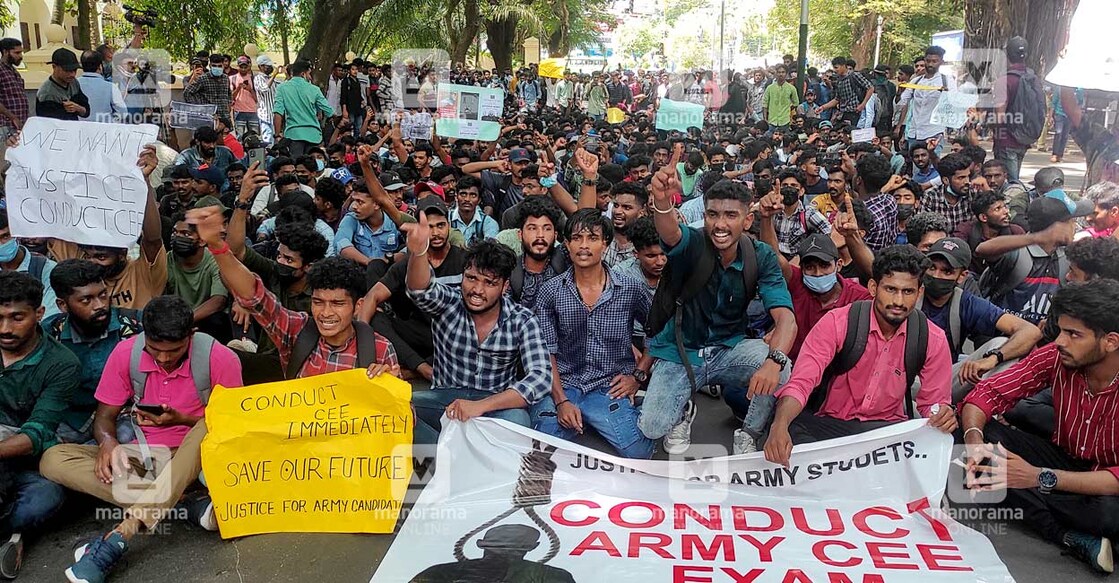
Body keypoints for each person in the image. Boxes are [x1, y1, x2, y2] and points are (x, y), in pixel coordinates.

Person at [40, 295, 243, 583]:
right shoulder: (127, 353)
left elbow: (233, 426)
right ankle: (183, 505)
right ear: (144, 336)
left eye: (173, 350)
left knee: (210, 424)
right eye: (154, 349)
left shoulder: (220, 358)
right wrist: (108, 444)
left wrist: (182, 420)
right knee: (53, 459)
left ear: (191, 335)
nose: (163, 358)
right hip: (149, 460)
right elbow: (104, 418)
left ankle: (121, 534)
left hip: (200, 460)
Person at [960, 280, 1119, 574]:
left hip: (1107, 483)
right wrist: (974, 442)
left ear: (1110, 341)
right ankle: (1069, 534)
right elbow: (989, 393)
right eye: (1060, 330)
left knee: (1109, 514)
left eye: (1074, 334)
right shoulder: (1056, 357)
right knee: (973, 435)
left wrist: (1038, 477)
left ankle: (1056, 521)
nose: (1060, 341)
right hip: (1066, 459)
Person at [640, 172, 797, 456]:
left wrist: (774, 361)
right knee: (652, 427)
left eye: (730, 215)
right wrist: (663, 202)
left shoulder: (760, 256)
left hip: (730, 349)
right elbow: (670, 233)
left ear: (747, 220)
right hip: (682, 352)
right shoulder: (693, 244)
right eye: (712, 214)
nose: (720, 224)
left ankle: (749, 432)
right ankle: (683, 410)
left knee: (782, 366)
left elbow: (786, 319)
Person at [764, 246, 957, 466]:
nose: (899, 302)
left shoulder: (932, 338)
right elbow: (801, 383)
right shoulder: (837, 322)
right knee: (788, 431)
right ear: (873, 287)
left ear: (919, 292)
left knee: (941, 444)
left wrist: (942, 416)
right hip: (830, 424)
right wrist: (779, 426)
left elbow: (933, 404)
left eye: (908, 292)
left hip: (885, 431)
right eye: (891, 289)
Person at [187, 204, 399, 380]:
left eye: (337, 304)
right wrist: (216, 245)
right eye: (318, 302)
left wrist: (389, 387)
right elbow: (254, 296)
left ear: (358, 306)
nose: (325, 313)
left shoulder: (378, 348)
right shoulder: (297, 331)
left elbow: (402, 418)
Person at [403, 212, 551, 444]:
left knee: (518, 422)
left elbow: (540, 378)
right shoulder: (449, 302)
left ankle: (460, 454)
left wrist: (480, 406)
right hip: (444, 398)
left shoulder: (522, 319)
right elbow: (420, 290)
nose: (477, 290)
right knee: (400, 410)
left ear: (504, 287)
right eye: (471, 278)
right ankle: (445, 460)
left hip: (494, 403)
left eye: (489, 283)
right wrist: (419, 251)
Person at [531, 209, 654, 459]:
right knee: (542, 450)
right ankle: (584, 418)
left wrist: (638, 376)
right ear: (566, 244)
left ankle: (633, 406)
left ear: (604, 243)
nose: (584, 246)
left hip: (609, 385)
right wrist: (561, 401)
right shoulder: (550, 292)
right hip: (564, 384)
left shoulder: (628, 288)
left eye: (592, 238)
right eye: (577, 238)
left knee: (638, 453)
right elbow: (546, 352)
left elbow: (659, 331)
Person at [0, 271, 80, 579]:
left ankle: (14, 532)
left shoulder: (62, 364)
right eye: (0, 317)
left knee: (46, 499)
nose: (5, 328)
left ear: (39, 313)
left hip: (29, 462)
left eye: (16, 317)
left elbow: (37, 433)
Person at [917, 237, 1042, 402]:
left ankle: (979, 407)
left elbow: (1031, 331)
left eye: (947, 271)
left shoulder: (966, 302)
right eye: (932, 268)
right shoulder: (910, 293)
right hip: (903, 379)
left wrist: (992, 358)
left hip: (944, 381)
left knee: (999, 345)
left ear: (962, 276)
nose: (936, 275)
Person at [358, 198, 467, 382]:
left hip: (457, 335)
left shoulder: (465, 260)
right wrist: (361, 337)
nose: (436, 233)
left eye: (441, 225)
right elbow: (373, 296)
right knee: (376, 318)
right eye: (429, 227)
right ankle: (423, 368)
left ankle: (413, 370)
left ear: (449, 226)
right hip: (422, 333)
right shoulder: (409, 263)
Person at [54, 146, 166, 311]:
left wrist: (143, 183)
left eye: (101, 257)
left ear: (122, 254)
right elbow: (52, 216)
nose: (91, 262)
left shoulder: (142, 274)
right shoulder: (78, 270)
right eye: (87, 256)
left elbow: (153, 240)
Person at [44, 259, 143, 445]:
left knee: (124, 441)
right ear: (62, 305)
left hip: (123, 415)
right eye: (86, 300)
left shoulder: (135, 325)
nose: (99, 305)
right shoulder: (49, 334)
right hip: (73, 418)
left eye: (103, 295)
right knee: (44, 445)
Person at [975, 190, 1090, 325]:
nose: (1075, 226)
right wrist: (1039, 238)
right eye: (1072, 221)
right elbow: (982, 249)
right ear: (1056, 227)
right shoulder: (1018, 253)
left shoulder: (1068, 257)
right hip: (1005, 336)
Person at [165, 211, 230, 342]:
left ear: (201, 241)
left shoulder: (215, 260)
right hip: (174, 318)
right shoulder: (167, 259)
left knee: (217, 320)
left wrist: (185, 321)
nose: (177, 237)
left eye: (185, 234)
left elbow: (218, 301)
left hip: (204, 319)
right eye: (175, 232)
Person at [991, 37, 1043, 182]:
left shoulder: (1005, 80)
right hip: (1024, 139)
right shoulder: (1033, 78)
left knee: (1010, 184)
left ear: (1006, 55)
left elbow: (999, 117)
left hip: (1006, 140)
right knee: (1014, 180)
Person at [894, 46, 955, 155]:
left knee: (932, 167)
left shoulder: (947, 81)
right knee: (916, 167)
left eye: (934, 61)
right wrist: (899, 92)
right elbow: (901, 103)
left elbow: (954, 104)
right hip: (914, 134)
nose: (930, 64)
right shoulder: (915, 81)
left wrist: (946, 95)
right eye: (928, 61)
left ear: (941, 62)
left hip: (934, 133)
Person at [0, 210, 58, 319]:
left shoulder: (46, 269)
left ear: (17, 235)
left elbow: (50, 317)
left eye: (6, 236)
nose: (1, 244)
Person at [953, 189, 1026, 275]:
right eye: (998, 209)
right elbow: (955, 258)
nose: (1006, 212)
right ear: (983, 217)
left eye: (1005, 207)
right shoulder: (965, 230)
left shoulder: (1016, 232)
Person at [273, 60, 334, 158]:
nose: (310, 77)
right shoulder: (315, 89)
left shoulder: (282, 88)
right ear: (303, 74)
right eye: (309, 74)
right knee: (311, 167)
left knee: (296, 167)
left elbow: (278, 113)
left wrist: (277, 135)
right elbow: (329, 111)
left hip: (293, 135)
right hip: (314, 136)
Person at [770, 168, 832, 257]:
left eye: (793, 185)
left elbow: (830, 232)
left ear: (801, 191)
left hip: (797, 262)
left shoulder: (808, 213)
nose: (789, 188)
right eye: (785, 185)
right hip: (774, 259)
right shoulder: (772, 211)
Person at [920, 153, 973, 233]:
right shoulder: (930, 197)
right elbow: (923, 229)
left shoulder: (973, 193)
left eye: (968, 176)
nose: (967, 182)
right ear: (946, 180)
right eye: (961, 178)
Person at [817, 56, 874, 127]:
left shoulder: (854, 75)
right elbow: (837, 99)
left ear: (843, 66)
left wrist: (863, 104)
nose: (835, 70)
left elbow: (870, 88)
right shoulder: (839, 80)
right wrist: (823, 107)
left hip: (854, 113)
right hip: (842, 113)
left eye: (836, 67)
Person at [35, 48, 90, 121]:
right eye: (67, 70)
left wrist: (78, 108)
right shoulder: (46, 93)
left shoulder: (74, 83)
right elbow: (49, 123)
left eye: (74, 70)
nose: (72, 74)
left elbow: (86, 111)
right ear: (54, 67)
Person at [77, 50, 126, 123]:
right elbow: (123, 113)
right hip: (104, 130)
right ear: (100, 66)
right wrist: (112, 121)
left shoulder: (73, 85)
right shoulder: (111, 87)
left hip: (78, 130)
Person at [449, 175, 499, 246]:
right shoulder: (446, 218)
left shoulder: (489, 223)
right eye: (463, 194)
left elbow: (490, 250)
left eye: (473, 195)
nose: (467, 199)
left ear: (479, 200)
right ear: (456, 197)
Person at [0, 38, 27, 139]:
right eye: (17, 53)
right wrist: (12, 117)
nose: (20, 56)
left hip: (18, 126)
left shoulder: (14, 72)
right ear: (5, 52)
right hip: (5, 127)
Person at [229, 55, 259, 139]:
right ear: (238, 66)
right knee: (240, 137)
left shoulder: (254, 79)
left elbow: (257, 99)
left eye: (245, 66)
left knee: (254, 137)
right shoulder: (232, 78)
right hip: (239, 111)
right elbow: (231, 97)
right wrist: (238, 88)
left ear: (248, 67)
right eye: (241, 66)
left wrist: (250, 89)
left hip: (252, 111)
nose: (243, 69)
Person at [762, 65, 798, 131]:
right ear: (775, 73)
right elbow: (765, 104)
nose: (781, 74)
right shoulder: (770, 88)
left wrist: (788, 111)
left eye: (783, 72)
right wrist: (765, 119)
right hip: (771, 121)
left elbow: (796, 103)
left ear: (786, 74)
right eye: (779, 72)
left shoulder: (791, 88)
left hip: (785, 121)